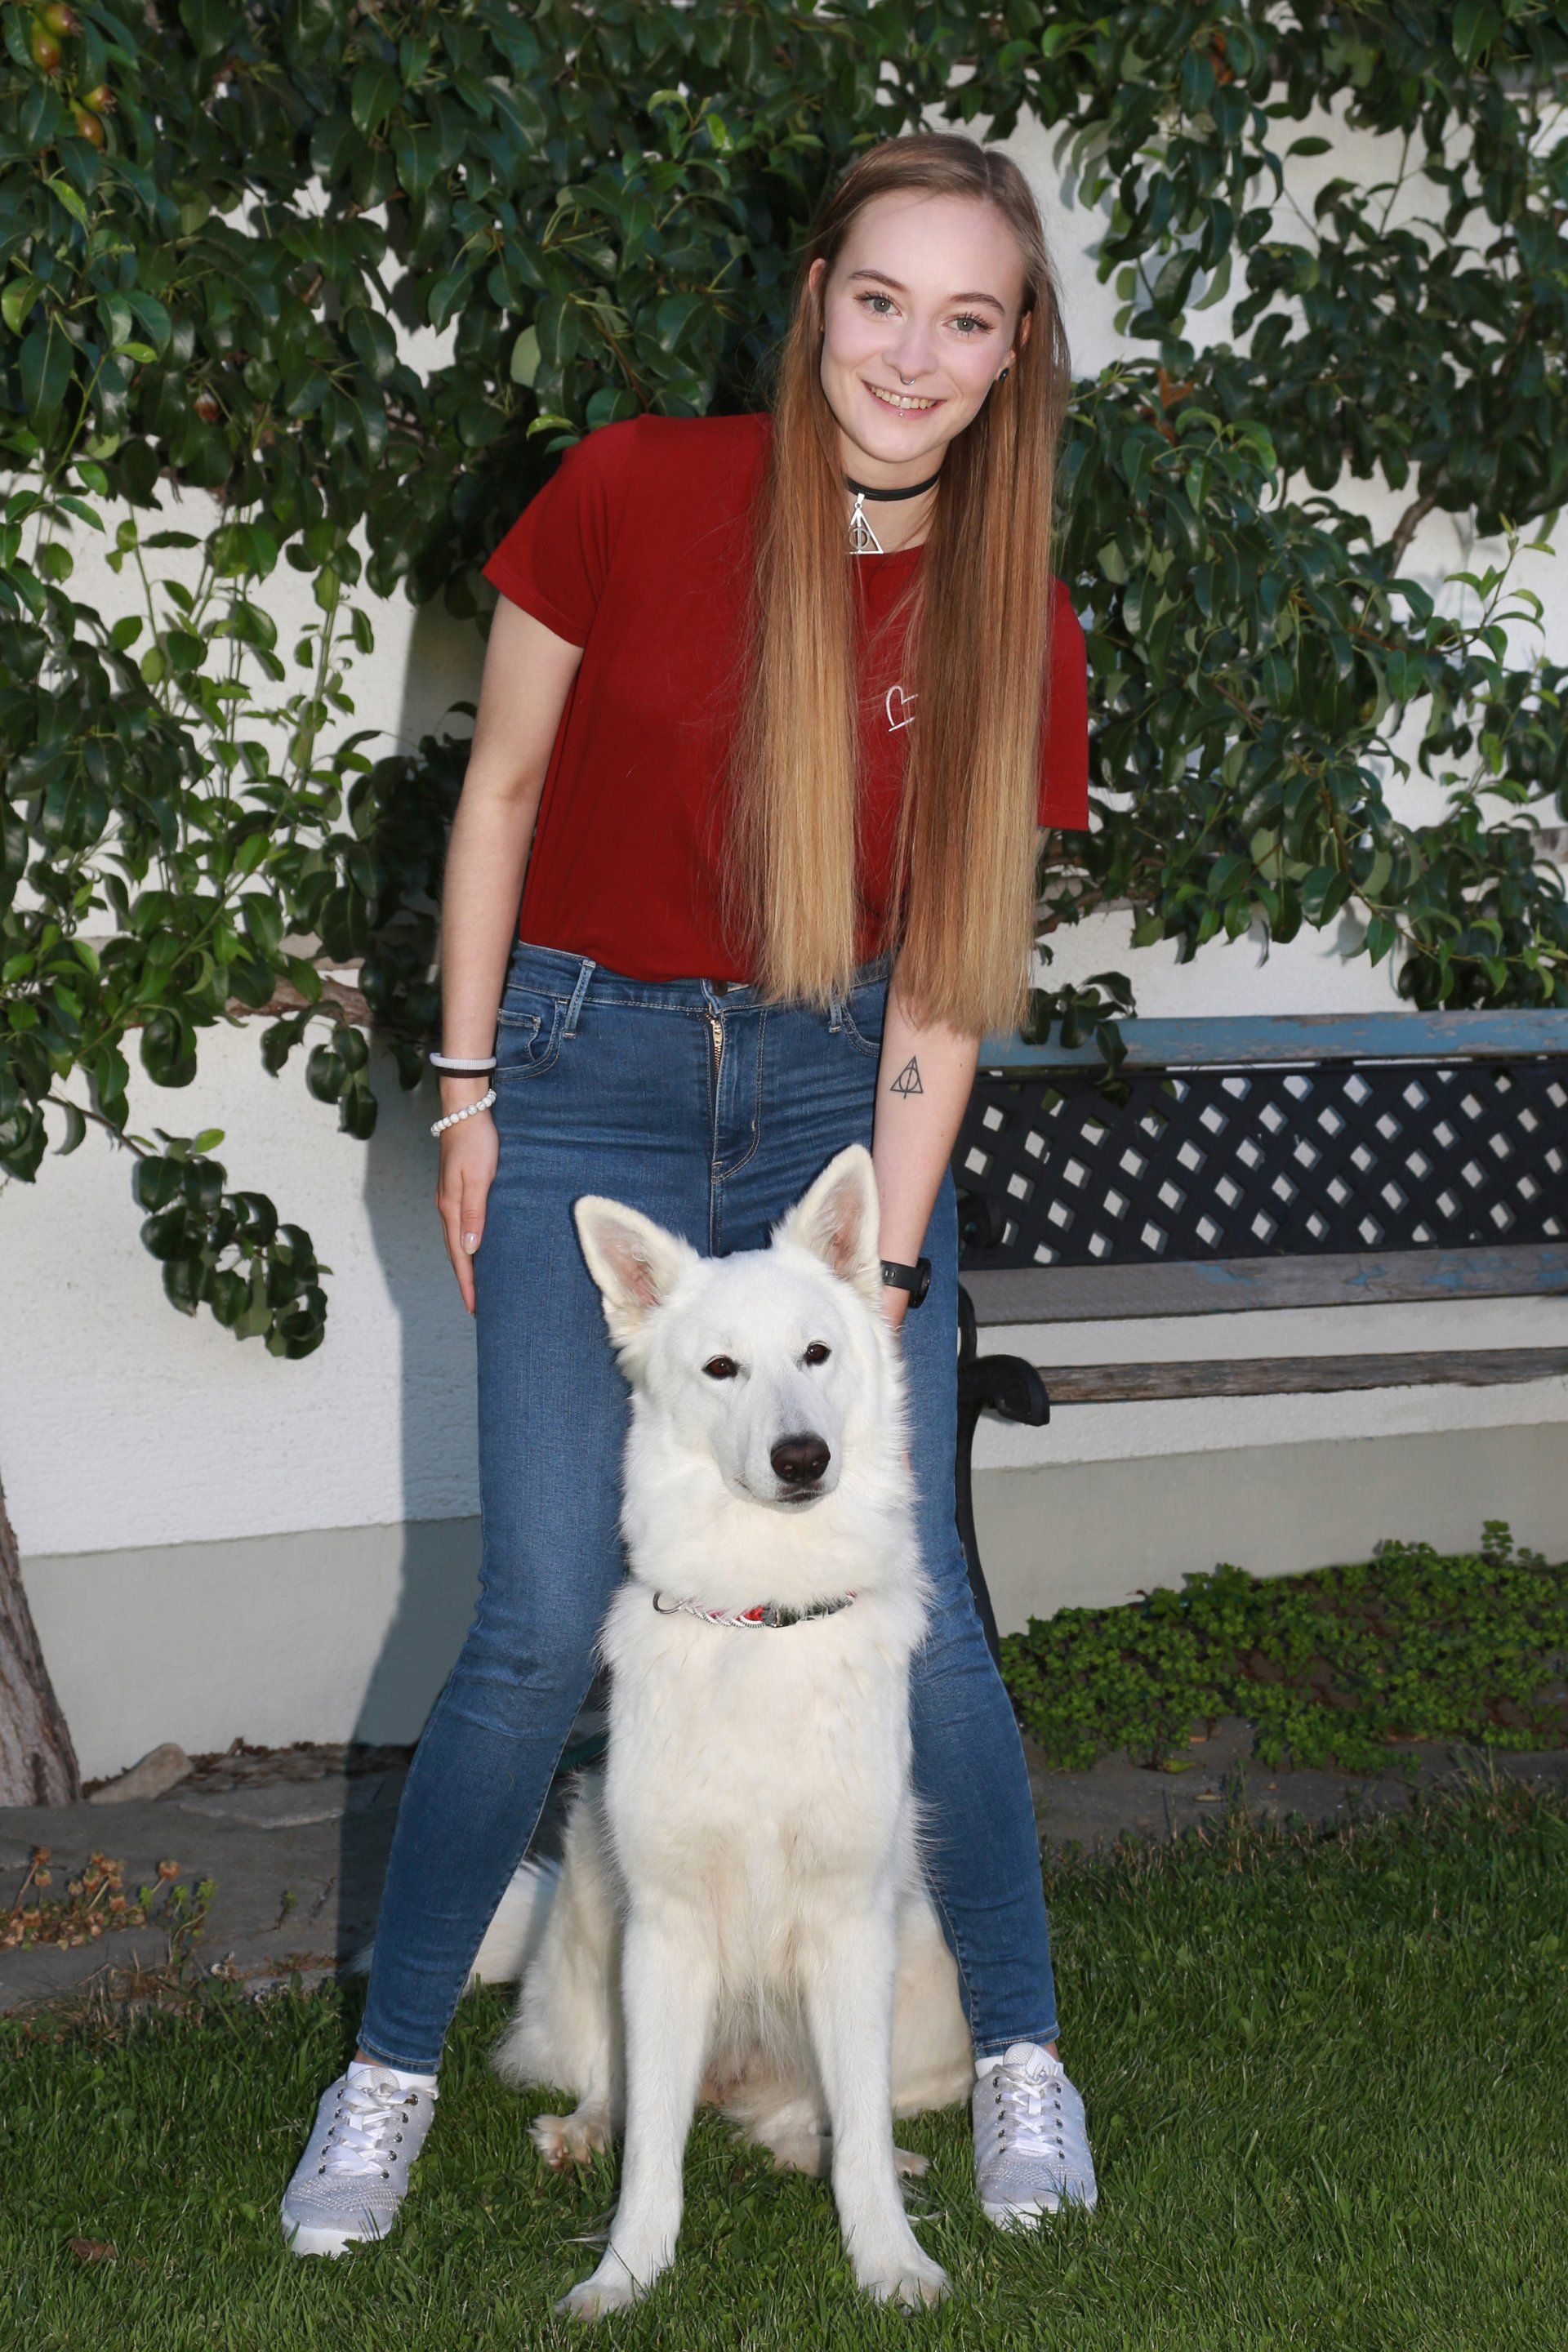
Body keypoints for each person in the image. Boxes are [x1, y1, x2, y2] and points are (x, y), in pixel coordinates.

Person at [281, 128, 1097, 2261]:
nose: (912, 354)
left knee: (923, 1620)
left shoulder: (1013, 619)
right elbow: (501, 792)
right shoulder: (636, 489)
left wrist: (888, 1263)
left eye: (968, 321)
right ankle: (386, 2075)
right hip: (586, 1081)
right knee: (543, 1613)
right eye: (881, 299)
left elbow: (945, 983)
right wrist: (468, 1093)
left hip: (835, 1103)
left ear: (1017, 356)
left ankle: (1022, 2053)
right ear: (815, 297)